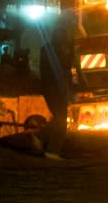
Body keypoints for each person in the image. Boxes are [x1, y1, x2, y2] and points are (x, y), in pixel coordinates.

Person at [39, 23, 73, 160]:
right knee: (61, 120)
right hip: (57, 88)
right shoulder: (60, 50)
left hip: (50, 87)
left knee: (57, 118)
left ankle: (40, 138)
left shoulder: (45, 48)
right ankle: (52, 151)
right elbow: (65, 68)